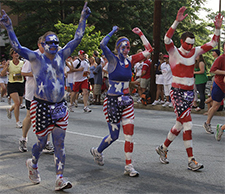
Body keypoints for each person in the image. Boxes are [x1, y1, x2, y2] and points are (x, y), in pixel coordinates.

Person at [0, 3, 91, 190]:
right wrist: (9, 27)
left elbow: (78, 37)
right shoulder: (35, 57)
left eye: (56, 42)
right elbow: (16, 45)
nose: (54, 45)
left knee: (59, 142)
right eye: (50, 42)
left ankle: (59, 178)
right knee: (41, 143)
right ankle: (33, 163)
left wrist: (83, 19)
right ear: (43, 44)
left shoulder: (62, 54)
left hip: (59, 106)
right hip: (40, 106)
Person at [155, 6, 222, 171]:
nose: (191, 46)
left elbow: (213, 43)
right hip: (177, 92)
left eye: (192, 44)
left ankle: (162, 148)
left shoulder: (194, 52)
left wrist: (217, 28)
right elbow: (166, 38)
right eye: (188, 43)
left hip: (188, 94)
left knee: (179, 124)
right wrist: (177, 21)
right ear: (181, 42)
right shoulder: (174, 52)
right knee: (188, 124)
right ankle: (191, 160)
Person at [90, 26, 153, 177]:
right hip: (112, 102)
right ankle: (97, 151)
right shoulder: (112, 59)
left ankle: (128, 166)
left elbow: (149, 50)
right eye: (123, 47)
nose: (126, 50)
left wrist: (141, 34)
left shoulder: (130, 60)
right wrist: (112, 32)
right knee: (114, 136)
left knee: (129, 135)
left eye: (128, 47)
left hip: (127, 101)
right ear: (118, 48)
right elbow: (102, 45)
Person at [19, 36, 54, 154]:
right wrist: (35, 73)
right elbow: (23, 72)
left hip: (46, 93)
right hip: (32, 91)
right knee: (29, 116)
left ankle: (46, 143)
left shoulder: (51, 56)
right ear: (39, 44)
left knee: (48, 117)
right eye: (44, 43)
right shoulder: (32, 56)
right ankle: (23, 138)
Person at [203, 42, 225, 134]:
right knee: (216, 106)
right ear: (223, 48)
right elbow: (213, 70)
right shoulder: (220, 58)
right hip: (219, 84)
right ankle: (207, 123)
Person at [1, 48, 24, 128]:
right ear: (11, 55)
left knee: (19, 103)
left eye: (17, 53)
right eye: (14, 53)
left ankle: (10, 109)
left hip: (21, 84)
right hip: (12, 84)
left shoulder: (22, 63)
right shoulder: (9, 63)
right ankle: (18, 122)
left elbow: (25, 73)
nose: (16, 54)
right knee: (17, 103)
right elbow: (2, 74)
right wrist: (6, 67)